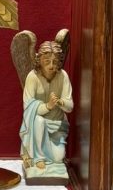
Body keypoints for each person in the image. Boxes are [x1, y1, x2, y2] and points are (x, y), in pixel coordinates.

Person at [19, 40, 73, 178]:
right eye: (47, 61)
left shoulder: (63, 76)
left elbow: (70, 106)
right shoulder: (33, 77)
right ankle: (38, 157)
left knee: (58, 157)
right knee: (38, 120)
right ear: (39, 60)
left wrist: (60, 102)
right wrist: (48, 106)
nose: (51, 65)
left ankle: (49, 158)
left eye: (55, 62)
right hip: (36, 128)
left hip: (57, 126)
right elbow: (28, 106)